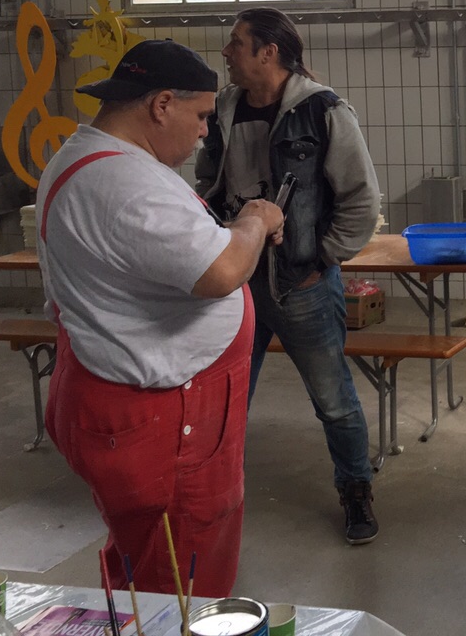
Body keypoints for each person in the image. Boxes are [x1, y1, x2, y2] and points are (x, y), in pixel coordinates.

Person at [39, 39, 284, 598]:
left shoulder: (89, 156)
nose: (204, 132)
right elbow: (223, 271)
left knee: (147, 556)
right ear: (161, 104)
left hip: (127, 387)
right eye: (200, 116)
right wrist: (254, 220)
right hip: (163, 414)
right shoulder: (124, 184)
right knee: (180, 580)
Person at [195, 7, 382, 544]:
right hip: (238, 282)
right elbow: (208, 179)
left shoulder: (323, 111)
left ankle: (356, 491)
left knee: (334, 401)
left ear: (268, 52)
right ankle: (212, 498)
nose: (226, 52)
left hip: (303, 288)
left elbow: (361, 199)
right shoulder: (225, 107)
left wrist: (321, 259)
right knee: (229, 398)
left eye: (236, 42)